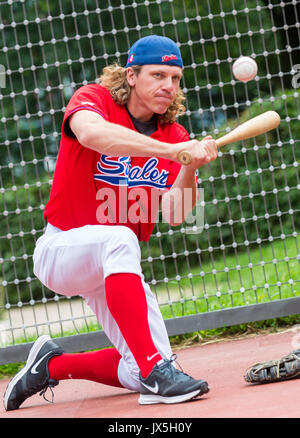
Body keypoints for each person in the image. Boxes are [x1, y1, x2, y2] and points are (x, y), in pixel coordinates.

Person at [3, 35, 218, 410]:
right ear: (131, 75)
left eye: (176, 78)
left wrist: (187, 167)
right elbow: (93, 134)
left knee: (144, 371)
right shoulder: (94, 99)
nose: (168, 86)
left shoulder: (175, 135)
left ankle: (50, 366)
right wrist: (171, 151)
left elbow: (175, 214)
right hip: (62, 249)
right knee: (119, 238)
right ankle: (155, 369)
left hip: (116, 264)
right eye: (158, 75)